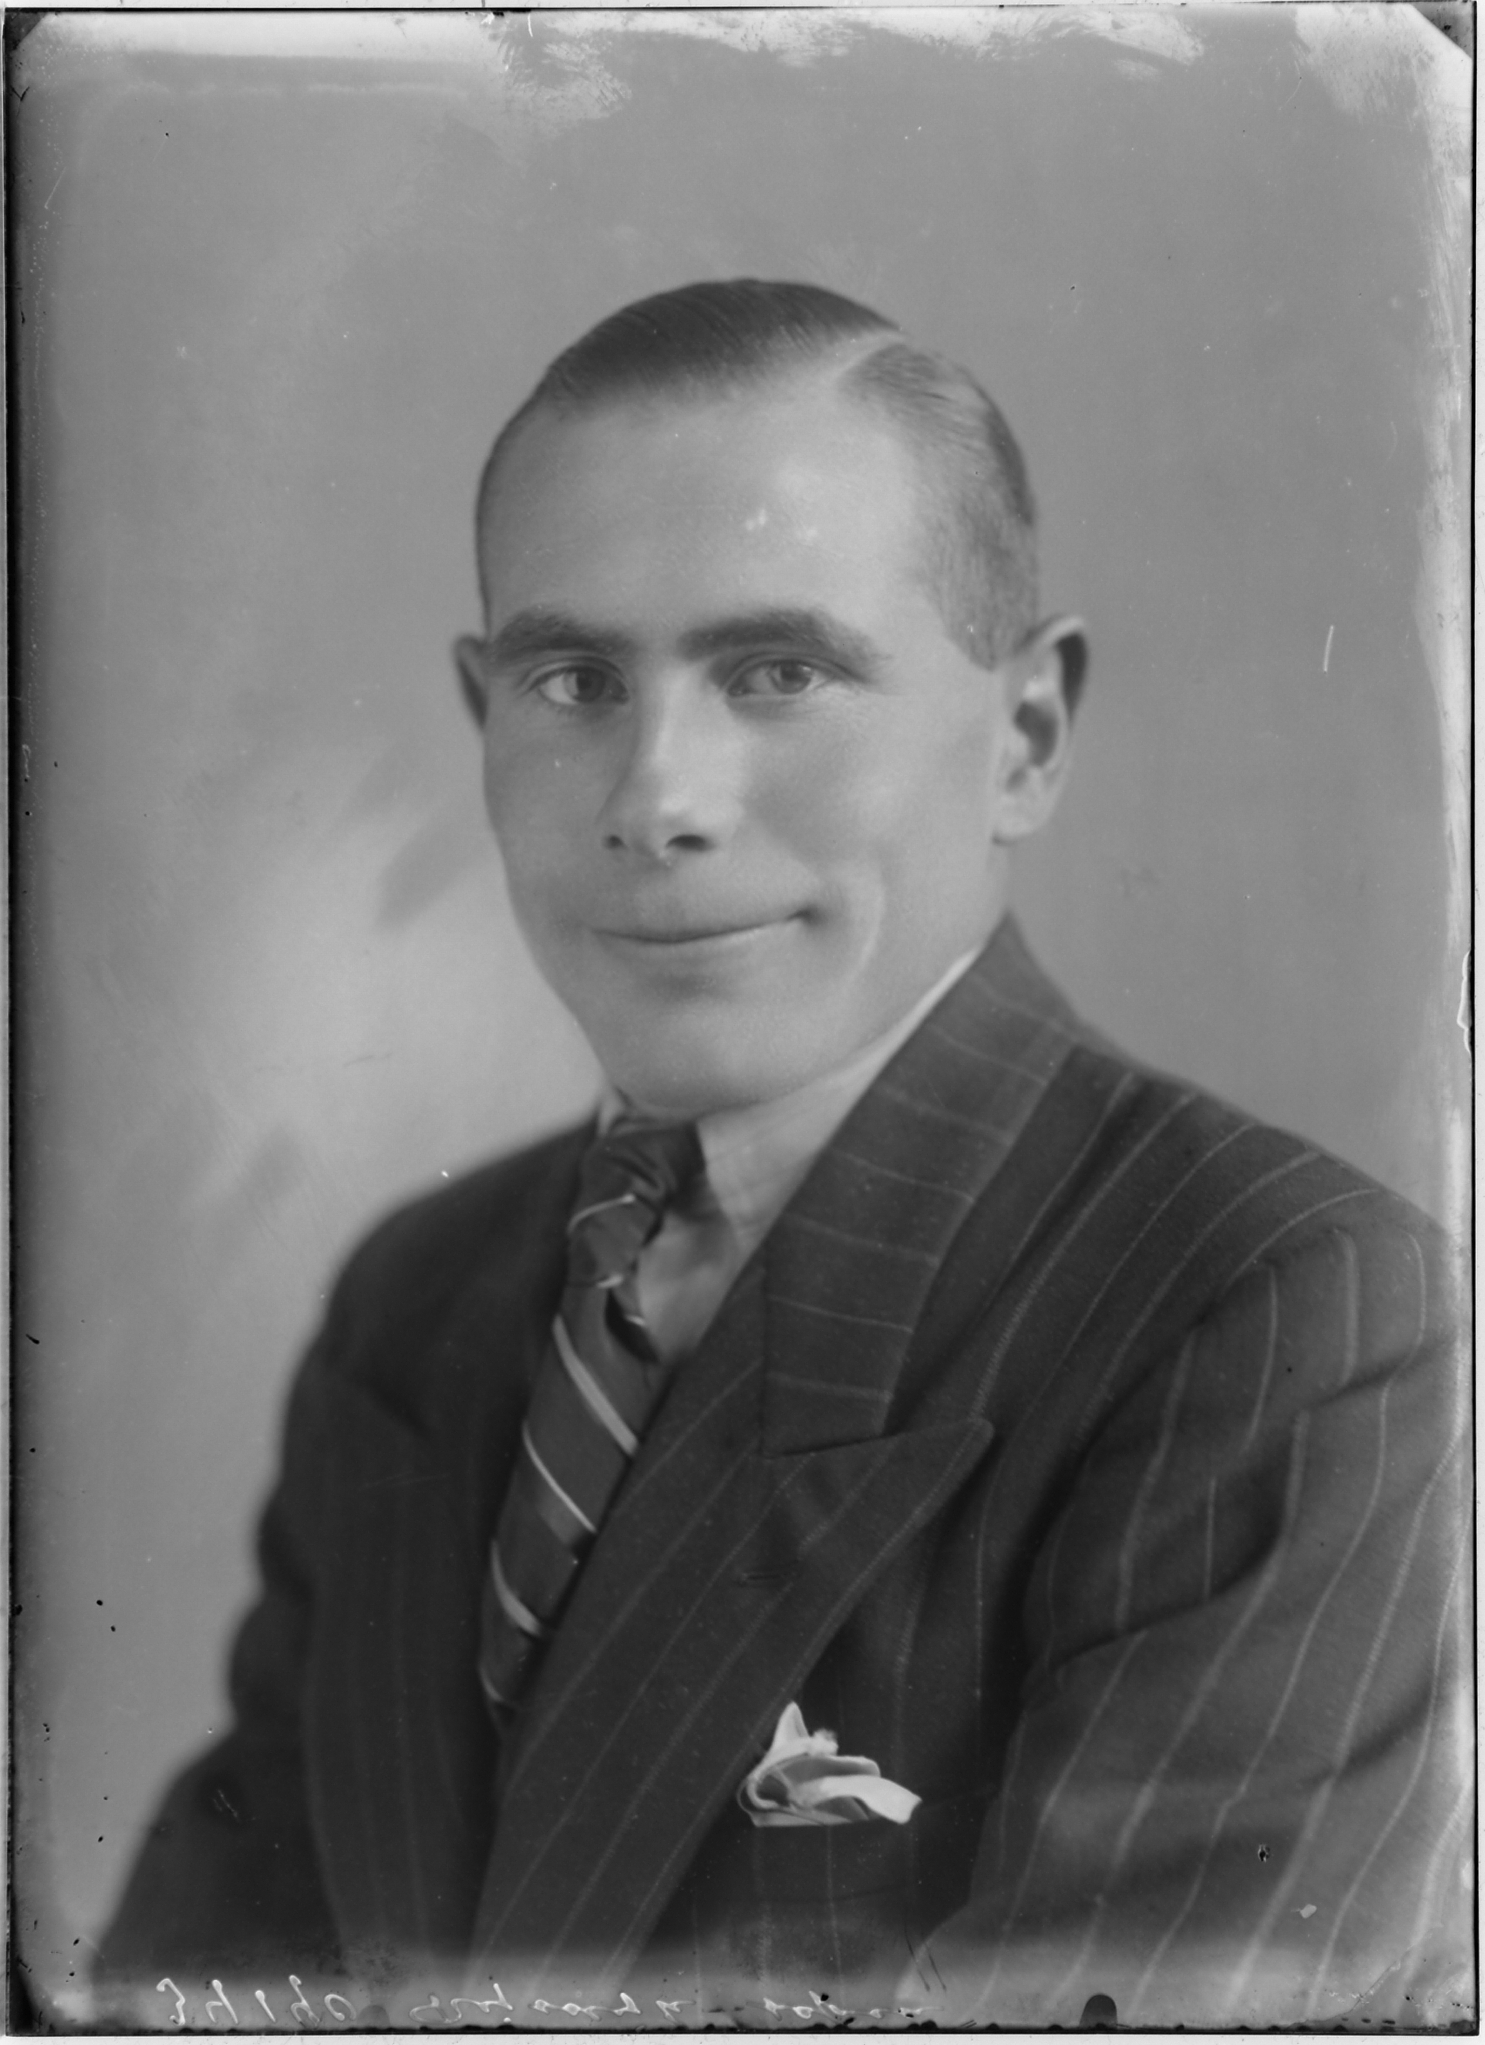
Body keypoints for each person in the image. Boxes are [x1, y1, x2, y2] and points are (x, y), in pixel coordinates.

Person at [97, 280, 1471, 2031]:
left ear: (1025, 738)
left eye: (779, 672)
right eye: (573, 680)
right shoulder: (419, 1302)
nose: (654, 799)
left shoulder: (1287, 1323)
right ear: (480, 713)